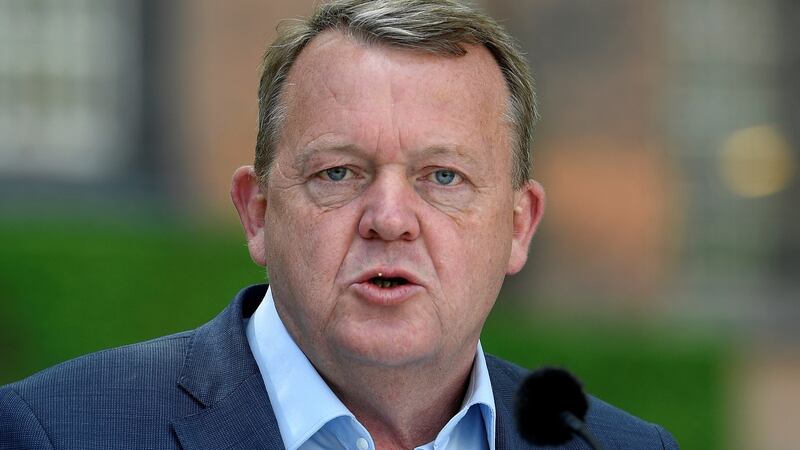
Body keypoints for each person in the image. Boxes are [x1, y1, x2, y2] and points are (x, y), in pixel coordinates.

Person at [0, 1, 679, 449]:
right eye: (338, 174)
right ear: (258, 213)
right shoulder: (59, 431)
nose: (389, 220)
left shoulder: (615, 446)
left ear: (518, 226)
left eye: (443, 177)